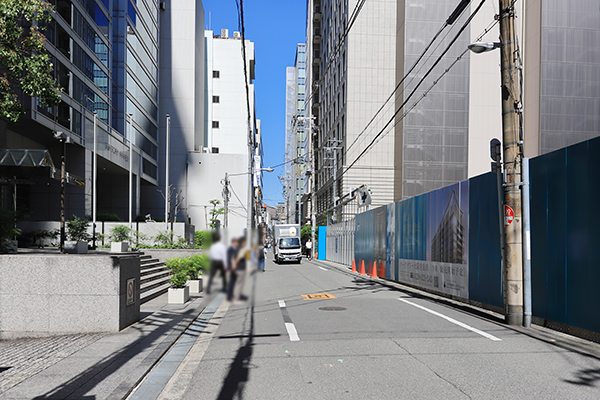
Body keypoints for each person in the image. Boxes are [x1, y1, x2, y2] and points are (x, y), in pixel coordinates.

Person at [232, 236, 249, 302]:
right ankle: (237, 297)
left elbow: (233, 258)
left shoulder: (236, 249)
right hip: (240, 268)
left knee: (237, 283)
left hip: (237, 268)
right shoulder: (242, 249)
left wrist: (233, 264)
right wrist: (235, 264)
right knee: (240, 283)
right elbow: (239, 258)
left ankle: (236, 296)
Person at [226, 237, 239, 301]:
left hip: (233, 268)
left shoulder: (234, 249)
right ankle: (229, 295)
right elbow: (229, 259)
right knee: (231, 282)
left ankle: (231, 295)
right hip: (231, 268)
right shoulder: (231, 249)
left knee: (233, 282)